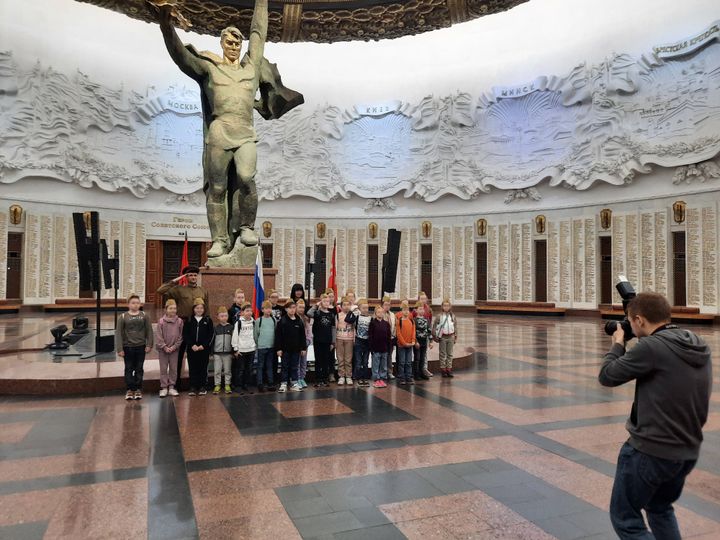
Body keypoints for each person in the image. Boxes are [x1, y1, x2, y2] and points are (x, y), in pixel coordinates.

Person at [598, 292, 712, 539]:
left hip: (651, 451)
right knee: (659, 508)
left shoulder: (651, 347)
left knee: (626, 519)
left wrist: (618, 342)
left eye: (630, 321)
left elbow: (607, 375)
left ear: (639, 320)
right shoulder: (696, 342)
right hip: (686, 450)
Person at [156, 265, 209, 389]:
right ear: (186, 277)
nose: (193, 277)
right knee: (178, 355)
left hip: (197, 324)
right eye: (190, 275)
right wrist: (175, 280)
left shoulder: (203, 291)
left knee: (195, 355)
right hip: (181, 324)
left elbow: (207, 309)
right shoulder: (179, 289)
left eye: (195, 275)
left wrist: (206, 324)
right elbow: (160, 290)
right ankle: (176, 383)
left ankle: (195, 383)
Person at [115, 294, 154, 400]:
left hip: (140, 346)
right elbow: (118, 333)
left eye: (137, 303)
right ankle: (129, 389)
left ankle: (137, 389)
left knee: (139, 368)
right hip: (127, 347)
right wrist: (120, 348)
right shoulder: (123, 317)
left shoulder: (144, 315)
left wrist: (149, 344)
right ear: (128, 304)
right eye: (133, 303)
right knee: (128, 368)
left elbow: (149, 331)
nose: (135, 305)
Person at [183, 298, 214, 396]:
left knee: (203, 367)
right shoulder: (189, 320)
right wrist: (191, 345)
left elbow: (210, 335)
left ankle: (202, 386)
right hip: (192, 349)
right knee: (192, 367)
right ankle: (192, 386)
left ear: (204, 309)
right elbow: (185, 334)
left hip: (203, 349)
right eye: (197, 308)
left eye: (201, 308)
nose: (199, 310)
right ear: (193, 309)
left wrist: (203, 346)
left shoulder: (208, 320)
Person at [275, 301, 307, 392]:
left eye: (294, 308)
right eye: (290, 308)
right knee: (285, 366)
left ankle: (294, 383)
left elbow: (302, 336)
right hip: (285, 349)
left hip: (296, 349)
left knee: (294, 366)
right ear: (286, 309)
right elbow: (278, 336)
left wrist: (303, 348)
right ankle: (284, 383)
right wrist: (279, 348)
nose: (292, 310)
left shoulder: (299, 320)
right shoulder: (283, 321)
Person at [155, 299, 184, 397]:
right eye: (171, 308)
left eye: (175, 308)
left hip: (174, 350)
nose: (173, 310)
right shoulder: (161, 321)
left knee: (173, 369)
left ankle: (172, 387)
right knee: (163, 369)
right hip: (163, 350)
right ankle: (164, 387)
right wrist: (164, 346)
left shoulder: (179, 321)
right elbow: (159, 335)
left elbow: (180, 336)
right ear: (166, 309)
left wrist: (174, 347)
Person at [307, 293, 336, 387]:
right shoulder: (317, 313)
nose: (326, 303)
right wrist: (316, 305)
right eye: (324, 301)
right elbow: (309, 313)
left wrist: (333, 341)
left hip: (327, 341)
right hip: (318, 340)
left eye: (328, 301)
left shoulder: (331, 314)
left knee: (326, 360)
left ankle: (324, 378)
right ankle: (318, 379)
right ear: (320, 302)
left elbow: (333, 328)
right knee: (318, 360)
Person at [232, 303, 256, 394]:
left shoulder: (253, 322)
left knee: (249, 369)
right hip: (241, 351)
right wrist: (235, 349)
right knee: (240, 370)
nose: (249, 313)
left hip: (251, 349)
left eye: (250, 311)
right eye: (247, 311)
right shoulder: (239, 323)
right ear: (242, 312)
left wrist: (255, 346)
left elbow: (255, 335)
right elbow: (235, 336)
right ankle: (238, 386)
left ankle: (247, 385)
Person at [254, 300, 276, 392]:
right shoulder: (259, 320)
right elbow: (256, 334)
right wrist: (258, 344)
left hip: (271, 346)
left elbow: (275, 332)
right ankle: (260, 383)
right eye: (266, 308)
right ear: (262, 310)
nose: (268, 310)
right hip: (262, 347)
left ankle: (270, 383)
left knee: (269, 365)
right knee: (260, 365)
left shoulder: (273, 320)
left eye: (270, 308)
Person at [335, 297, 358, 385]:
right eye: (344, 305)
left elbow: (355, 327)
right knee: (340, 358)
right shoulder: (338, 315)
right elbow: (335, 328)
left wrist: (354, 339)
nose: (346, 307)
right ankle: (341, 376)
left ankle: (348, 376)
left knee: (348, 359)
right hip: (339, 338)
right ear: (341, 306)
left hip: (349, 339)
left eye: (348, 305)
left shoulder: (353, 315)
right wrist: (335, 341)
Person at [432, 299, 457, 378]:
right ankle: (443, 369)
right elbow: (434, 327)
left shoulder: (452, 316)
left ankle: (449, 369)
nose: (446, 307)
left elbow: (455, 326)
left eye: (448, 305)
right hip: (443, 337)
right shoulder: (439, 316)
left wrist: (455, 336)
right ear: (442, 307)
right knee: (443, 354)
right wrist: (435, 336)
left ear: (450, 307)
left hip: (451, 336)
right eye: (444, 305)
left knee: (450, 354)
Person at [369, 305, 392, 389]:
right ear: (375, 313)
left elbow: (389, 337)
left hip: (384, 348)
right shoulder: (372, 323)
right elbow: (370, 336)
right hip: (376, 349)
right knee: (376, 364)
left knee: (383, 365)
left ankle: (382, 378)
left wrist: (389, 347)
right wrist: (371, 348)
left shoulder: (386, 324)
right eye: (378, 312)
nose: (380, 313)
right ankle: (376, 379)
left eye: (382, 312)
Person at [212, 306, 234, 394]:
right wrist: (212, 352)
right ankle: (217, 385)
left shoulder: (231, 327)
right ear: (218, 317)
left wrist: (233, 351)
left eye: (225, 316)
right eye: (221, 316)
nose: (223, 318)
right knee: (217, 370)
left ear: (227, 316)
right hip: (217, 353)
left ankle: (227, 385)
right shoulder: (216, 328)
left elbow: (234, 340)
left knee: (227, 370)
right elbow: (212, 341)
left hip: (228, 353)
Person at [413, 292, 434, 378]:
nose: (423, 300)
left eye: (424, 298)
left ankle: (423, 371)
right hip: (417, 339)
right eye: (421, 298)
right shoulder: (414, 315)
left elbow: (429, 326)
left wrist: (431, 340)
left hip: (424, 338)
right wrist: (415, 340)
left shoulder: (428, 310)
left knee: (423, 356)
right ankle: (416, 373)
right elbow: (413, 329)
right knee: (417, 357)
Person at [395, 301, 416, 385]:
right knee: (402, 362)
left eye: (407, 310)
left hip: (410, 344)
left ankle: (409, 377)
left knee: (408, 362)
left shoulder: (411, 320)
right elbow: (398, 334)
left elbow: (413, 331)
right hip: (402, 345)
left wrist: (413, 341)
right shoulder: (399, 321)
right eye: (404, 310)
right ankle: (401, 377)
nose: (406, 312)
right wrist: (404, 343)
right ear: (401, 311)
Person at [353, 299, 372, 387]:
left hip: (367, 342)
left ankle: (365, 378)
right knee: (358, 361)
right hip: (358, 341)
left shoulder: (370, 318)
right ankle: (358, 377)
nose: (365, 309)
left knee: (365, 361)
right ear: (360, 308)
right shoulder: (357, 317)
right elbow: (349, 321)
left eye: (367, 308)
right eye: (363, 308)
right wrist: (354, 309)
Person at [296, 299, 312, 389]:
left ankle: (302, 377)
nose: (301, 309)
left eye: (303, 308)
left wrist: (308, 341)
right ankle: (297, 378)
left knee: (303, 362)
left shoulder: (305, 318)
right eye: (300, 307)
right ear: (296, 307)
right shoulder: (294, 318)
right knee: (297, 362)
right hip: (296, 344)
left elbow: (309, 332)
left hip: (304, 344)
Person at [381, 296, 396, 380]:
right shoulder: (380, 313)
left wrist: (393, 335)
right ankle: (382, 372)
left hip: (391, 338)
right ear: (382, 305)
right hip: (382, 339)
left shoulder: (392, 314)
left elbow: (394, 326)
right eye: (385, 304)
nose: (387, 306)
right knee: (383, 356)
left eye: (389, 305)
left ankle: (389, 372)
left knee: (389, 356)